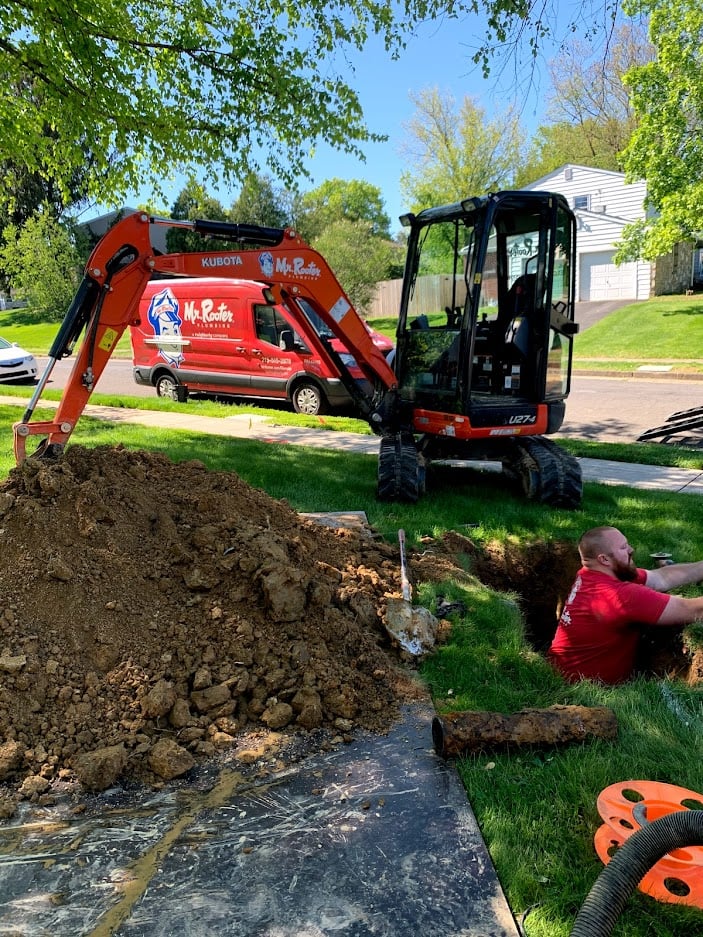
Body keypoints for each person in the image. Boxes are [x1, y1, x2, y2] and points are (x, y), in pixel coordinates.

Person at [548, 526, 703, 684]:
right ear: (604, 559)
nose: (631, 549)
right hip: (579, 692)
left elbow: (661, 578)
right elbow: (691, 610)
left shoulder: (592, 573)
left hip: (561, 674)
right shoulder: (617, 595)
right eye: (623, 547)